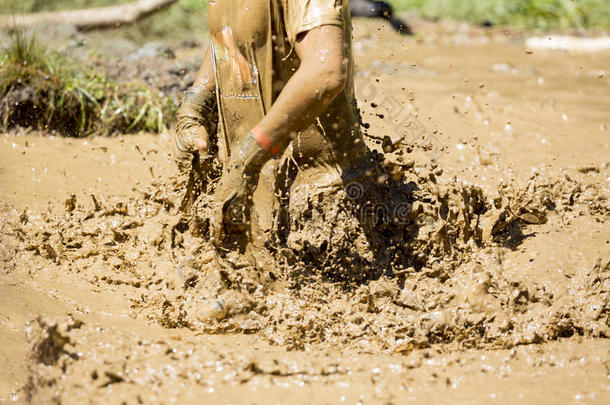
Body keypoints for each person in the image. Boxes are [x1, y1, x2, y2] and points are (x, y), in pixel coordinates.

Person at [174, 0, 410, 279]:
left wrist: (248, 159)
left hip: (322, 221)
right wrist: (196, 102)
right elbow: (232, 38)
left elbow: (325, 72)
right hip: (246, 203)